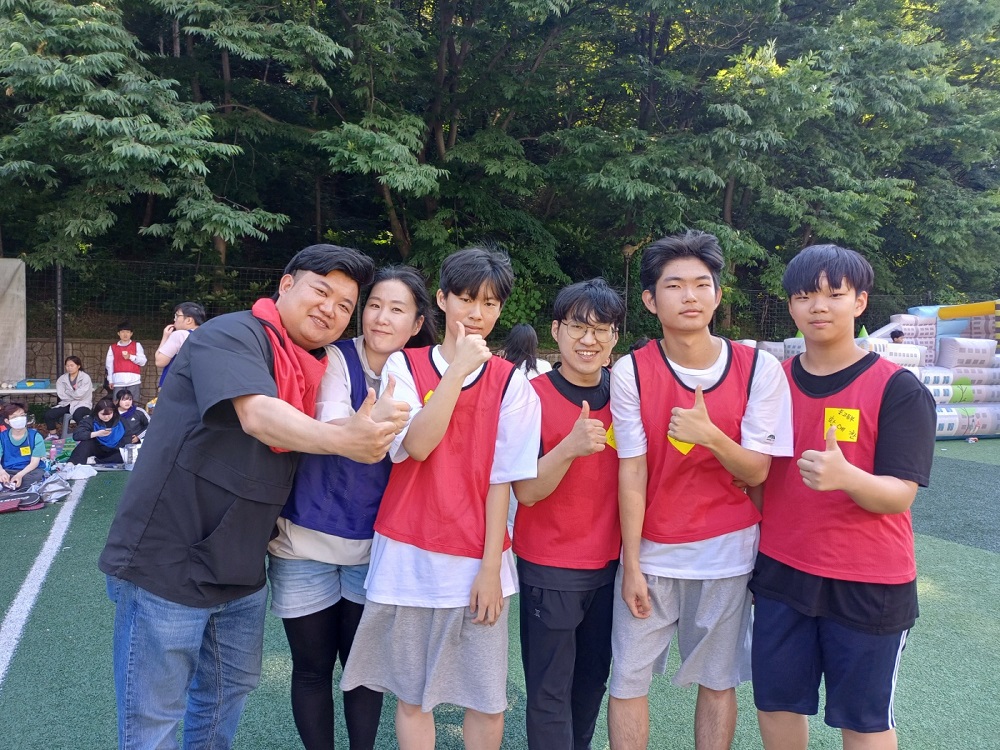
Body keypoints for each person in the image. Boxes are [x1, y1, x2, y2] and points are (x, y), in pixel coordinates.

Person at [99, 244, 405, 750]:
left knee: (223, 701)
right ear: (286, 285)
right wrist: (344, 440)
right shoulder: (233, 334)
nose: (331, 309)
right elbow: (258, 414)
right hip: (167, 563)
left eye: (345, 305)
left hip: (241, 572)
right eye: (321, 291)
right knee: (154, 719)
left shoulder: (312, 368)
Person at [340, 246, 542, 750]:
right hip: (406, 556)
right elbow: (417, 445)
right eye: (467, 299)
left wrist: (491, 568)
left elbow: (501, 482)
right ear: (442, 299)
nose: (477, 313)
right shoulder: (403, 366)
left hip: (478, 560)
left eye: (490, 303)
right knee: (412, 697)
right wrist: (456, 373)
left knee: (486, 700)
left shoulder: (513, 385)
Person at [607, 230, 793, 750]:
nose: (689, 296)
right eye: (674, 285)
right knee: (627, 680)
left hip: (728, 554)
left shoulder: (758, 368)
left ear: (717, 294)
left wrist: (709, 435)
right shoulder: (631, 371)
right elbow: (632, 471)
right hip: (652, 553)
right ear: (650, 300)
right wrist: (632, 563)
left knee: (718, 682)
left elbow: (757, 470)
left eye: (701, 284)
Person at [750, 245, 936, 750]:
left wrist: (848, 477)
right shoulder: (771, 383)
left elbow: (899, 495)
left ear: (860, 302)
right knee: (776, 702)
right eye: (804, 296)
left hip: (869, 581)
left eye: (834, 294)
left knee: (864, 720)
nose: (818, 306)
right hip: (782, 572)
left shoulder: (899, 389)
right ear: (791, 306)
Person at [267, 265, 436, 750]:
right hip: (304, 542)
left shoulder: (428, 373)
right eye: (374, 305)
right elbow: (332, 423)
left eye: (397, 309)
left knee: (364, 672)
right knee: (312, 669)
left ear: (417, 322)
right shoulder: (335, 357)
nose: (381, 317)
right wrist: (373, 421)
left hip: (377, 549)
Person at [511, 278, 626, 750]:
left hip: (612, 566)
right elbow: (526, 491)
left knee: (592, 682)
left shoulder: (626, 395)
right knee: (550, 692)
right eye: (578, 326)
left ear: (614, 337)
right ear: (556, 330)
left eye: (601, 329)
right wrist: (569, 448)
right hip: (550, 565)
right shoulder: (528, 396)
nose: (588, 339)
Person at [155, 301, 206, 387]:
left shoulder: (180, 334)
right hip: (197, 385)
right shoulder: (206, 336)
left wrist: (165, 337)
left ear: (189, 320)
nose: (174, 319)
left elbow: (160, 362)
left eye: (177, 316)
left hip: (175, 386)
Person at [68, 398, 129, 465]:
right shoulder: (90, 420)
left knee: (127, 454)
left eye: (109, 414)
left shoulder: (121, 421)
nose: (106, 417)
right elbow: (77, 435)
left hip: (115, 450)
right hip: (97, 448)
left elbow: (128, 437)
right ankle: (72, 463)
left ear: (114, 412)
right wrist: (97, 433)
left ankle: (95, 461)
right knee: (86, 443)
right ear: (97, 412)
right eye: (103, 414)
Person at [0, 403, 46, 491]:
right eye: (14, 417)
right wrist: (1, 472)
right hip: (8, 470)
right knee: (5, 478)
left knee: (35, 477)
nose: (19, 419)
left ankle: (8, 486)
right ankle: (11, 485)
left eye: (22, 415)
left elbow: (34, 463)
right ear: (7, 421)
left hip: (29, 471)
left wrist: (20, 475)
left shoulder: (35, 436)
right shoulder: (2, 437)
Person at [43, 356, 94, 434]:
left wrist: (68, 392)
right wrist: (74, 394)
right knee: (49, 414)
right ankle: (53, 435)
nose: (69, 368)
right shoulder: (62, 379)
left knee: (78, 415)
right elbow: (61, 395)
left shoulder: (85, 377)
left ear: (78, 366)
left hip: (83, 403)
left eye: (72, 365)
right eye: (67, 366)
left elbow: (80, 395)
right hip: (67, 403)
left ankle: (85, 434)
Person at [105, 321, 147, 403]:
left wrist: (130, 357)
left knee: (133, 403)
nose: (125, 334)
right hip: (118, 381)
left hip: (134, 381)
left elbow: (143, 362)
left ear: (131, 333)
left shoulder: (137, 345)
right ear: (118, 333)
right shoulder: (113, 347)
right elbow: (109, 365)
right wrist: (110, 380)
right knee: (117, 403)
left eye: (127, 332)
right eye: (122, 332)